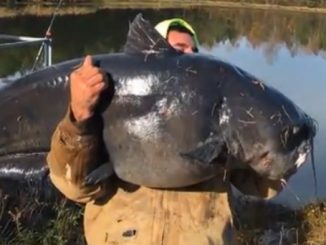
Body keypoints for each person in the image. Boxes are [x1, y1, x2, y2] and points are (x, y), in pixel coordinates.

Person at [47, 18, 281, 245]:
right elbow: (75, 187)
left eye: (194, 51)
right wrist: (79, 116)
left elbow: (263, 185)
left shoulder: (219, 120)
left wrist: (280, 143)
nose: (189, 57)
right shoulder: (106, 107)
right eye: (179, 49)